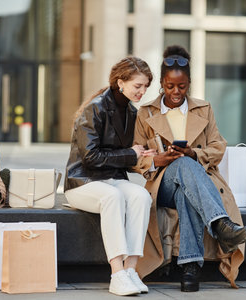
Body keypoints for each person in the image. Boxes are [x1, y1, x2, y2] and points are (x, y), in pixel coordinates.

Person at [132, 45, 246, 292]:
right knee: (181, 165)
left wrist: (193, 153)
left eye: (182, 86)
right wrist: (159, 159)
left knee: (185, 186)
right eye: (170, 86)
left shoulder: (204, 109)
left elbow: (218, 147)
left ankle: (190, 268)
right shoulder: (146, 113)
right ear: (162, 84)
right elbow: (135, 157)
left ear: (189, 83)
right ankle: (221, 224)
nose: (176, 92)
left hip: (195, 182)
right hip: (162, 183)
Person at [64, 57, 155, 296]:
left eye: (146, 86)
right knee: (113, 196)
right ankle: (117, 273)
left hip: (112, 179)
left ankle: (131, 270)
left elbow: (126, 153)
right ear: (120, 82)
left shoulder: (131, 113)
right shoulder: (95, 108)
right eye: (138, 86)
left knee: (141, 197)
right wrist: (130, 154)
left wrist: (142, 153)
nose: (142, 91)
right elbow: (90, 157)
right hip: (82, 182)